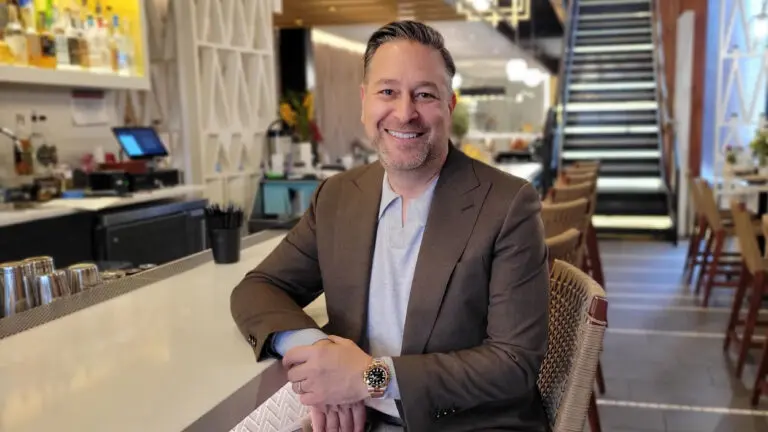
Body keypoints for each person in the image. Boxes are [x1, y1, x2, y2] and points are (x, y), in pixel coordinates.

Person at [230, 20, 550, 432]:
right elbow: (258, 288)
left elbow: (513, 363)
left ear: (449, 105)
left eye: (425, 94)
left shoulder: (508, 204)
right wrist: (318, 350)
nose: (404, 112)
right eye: (387, 92)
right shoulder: (338, 196)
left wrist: (369, 378)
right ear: (364, 101)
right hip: (355, 420)